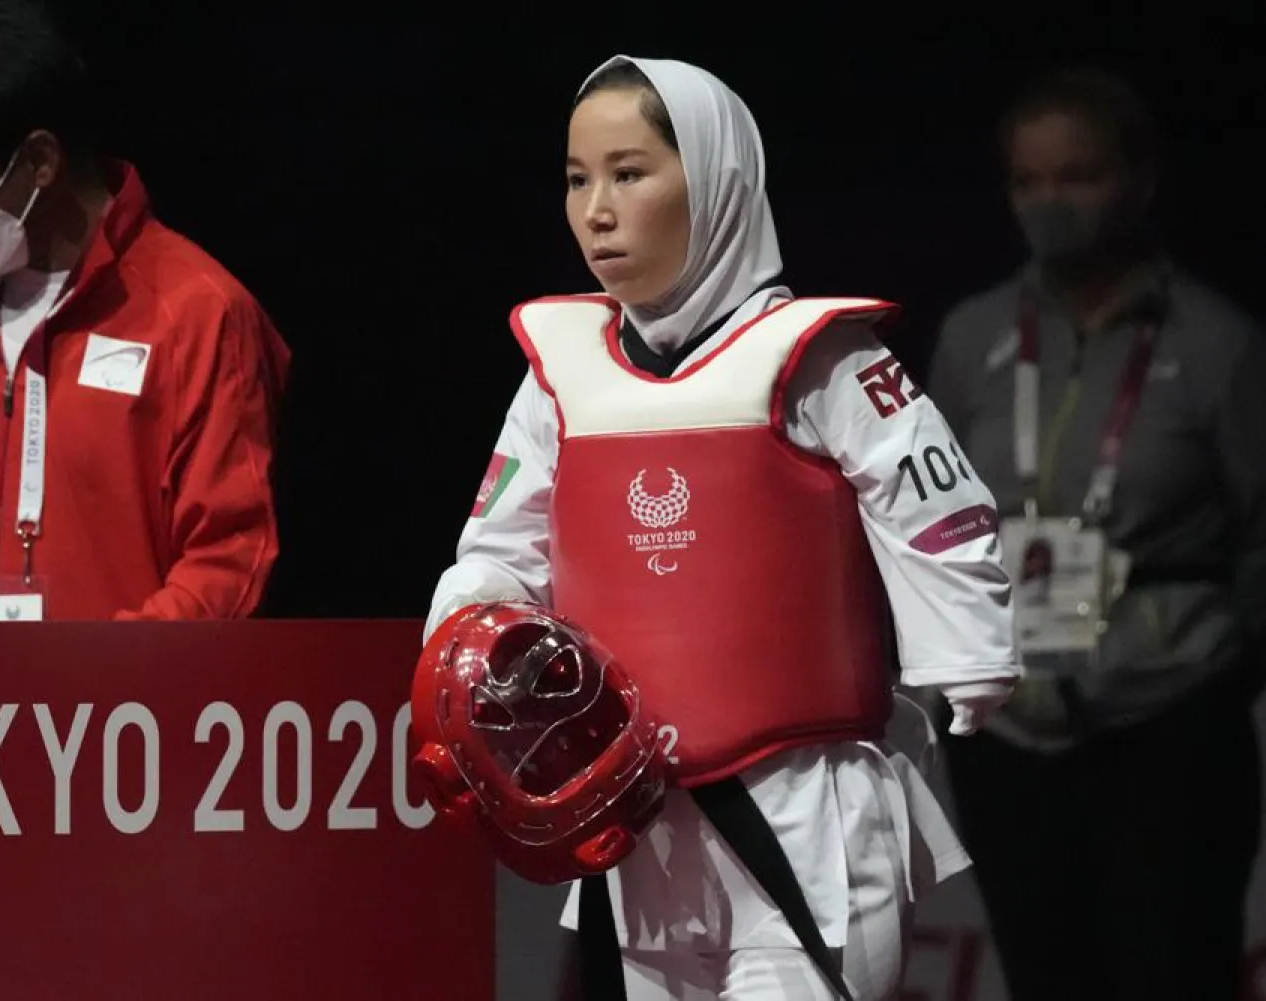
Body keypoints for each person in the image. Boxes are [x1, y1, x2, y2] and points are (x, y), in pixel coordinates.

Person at [425, 55, 1021, 1001]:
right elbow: (498, 550)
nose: (597, 209)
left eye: (630, 173)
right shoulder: (559, 373)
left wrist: (969, 653)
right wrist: (461, 655)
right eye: (578, 179)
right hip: (636, 827)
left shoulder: (817, 357)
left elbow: (933, 505)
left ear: (716, 180)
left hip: (807, 813)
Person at [927, 66, 1266, 1000]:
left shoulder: (1217, 342)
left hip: (1167, 723)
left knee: (1176, 973)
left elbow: (1259, 537)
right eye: (1027, 181)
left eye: (1075, 177)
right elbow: (931, 523)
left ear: (1139, 180)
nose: (1049, 202)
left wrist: (1225, 669)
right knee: (1045, 979)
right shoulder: (973, 336)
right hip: (1011, 737)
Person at [0, 0, 289, 621]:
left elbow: (227, 557)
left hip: (113, 711)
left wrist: (90, 700)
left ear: (38, 162)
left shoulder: (198, 312)